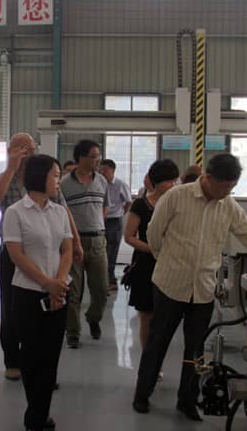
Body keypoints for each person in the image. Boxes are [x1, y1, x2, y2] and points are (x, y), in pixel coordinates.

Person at [132, 154, 247, 422]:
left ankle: (187, 401)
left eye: (231, 188)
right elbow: (153, 233)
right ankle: (142, 394)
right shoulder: (176, 197)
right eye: (223, 187)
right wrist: (167, 259)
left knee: (196, 349)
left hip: (203, 289)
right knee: (157, 342)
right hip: (170, 285)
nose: (226, 193)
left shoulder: (228, 205)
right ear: (207, 178)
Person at [0, 133, 83, 381]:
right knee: (11, 309)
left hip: (46, 251)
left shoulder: (46, 180)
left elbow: (64, 210)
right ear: (10, 150)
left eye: (31, 148)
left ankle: (42, 364)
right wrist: (11, 168)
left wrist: (76, 241)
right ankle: (13, 360)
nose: (28, 152)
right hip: (14, 253)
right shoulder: (2, 177)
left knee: (48, 306)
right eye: (22, 148)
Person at [3, 154, 72, 431]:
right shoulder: (16, 212)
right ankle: (36, 413)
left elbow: (67, 249)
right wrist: (47, 283)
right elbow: (16, 255)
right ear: (39, 177)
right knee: (31, 357)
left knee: (51, 356)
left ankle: (39, 415)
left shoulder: (59, 212)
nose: (58, 181)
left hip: (59, 292)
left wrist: (58, 283)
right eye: (55, 175)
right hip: (28, 294)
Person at [125, 159, 179, 349]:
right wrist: (154, 249)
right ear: (156, 181)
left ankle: (157, 356)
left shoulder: (178, 204)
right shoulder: (141, 205)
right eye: (168, 181)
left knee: (164, 317)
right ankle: (148, 358)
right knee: (147, 316)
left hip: (171, 266)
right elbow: (129, 237)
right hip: (145, 266)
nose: (173, 185)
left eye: (175, 180)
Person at [60, 139, 109, 349]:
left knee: (101, 289)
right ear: (81, 158)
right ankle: (72, 332)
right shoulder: (64, 184)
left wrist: (97, 226)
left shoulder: (102, 181)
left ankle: (93, 318)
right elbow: (61, 214)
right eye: (94, 156)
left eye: (98, 156)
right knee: (73, 290)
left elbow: (105, 207)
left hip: (98, 241)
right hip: (73, 242)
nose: (98, 160)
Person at [99, 159, 132, 292]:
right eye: (100, 170)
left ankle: (111, 281)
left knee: (112, 251)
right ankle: (103, 280)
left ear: (113, 170)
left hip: (114, 221)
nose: (102, 172)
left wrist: (122, 213)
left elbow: (128, 201)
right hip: (101, 220)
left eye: (105, 170)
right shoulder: (99, 183)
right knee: (101, 251)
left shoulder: (120, 184)